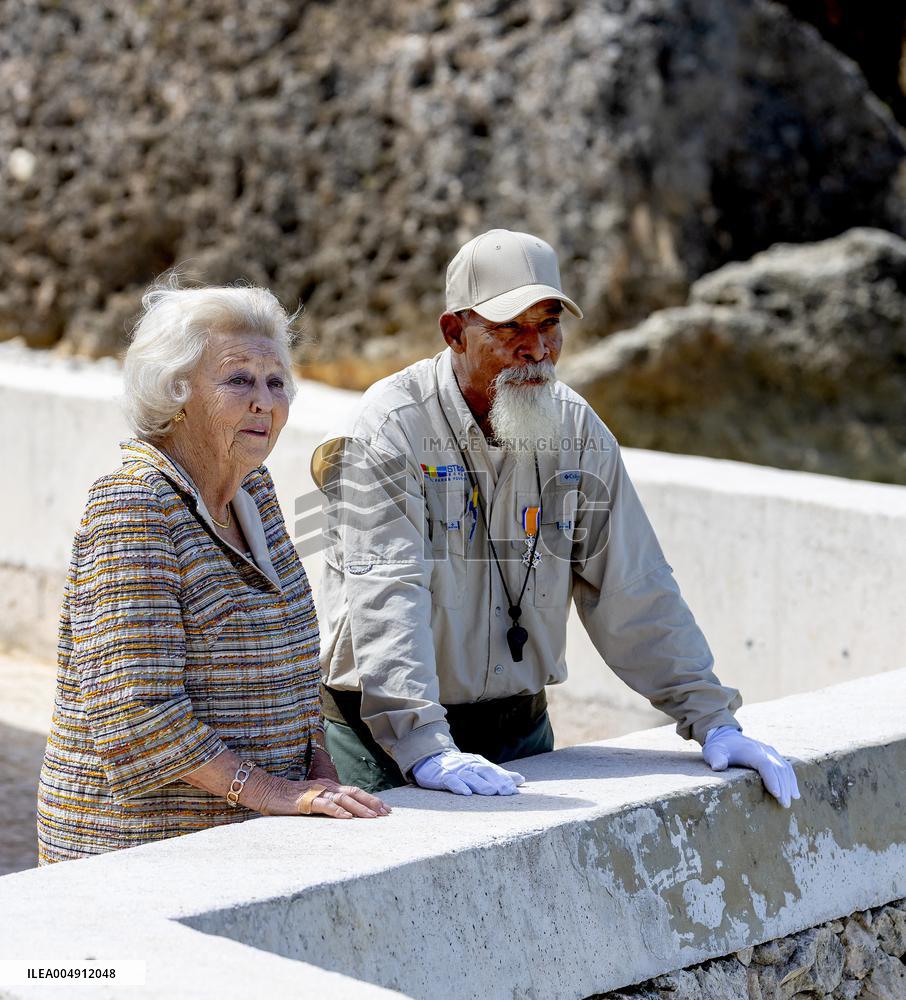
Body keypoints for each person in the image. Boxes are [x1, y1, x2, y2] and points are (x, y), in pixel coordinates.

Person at [313, 229, 800, 807]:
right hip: (385, 746)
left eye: (548, 324)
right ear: (454, 333)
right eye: (510, 328)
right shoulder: (390, 427)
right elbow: (387, 597)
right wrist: (424, 746)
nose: (537, 349)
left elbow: (632, 584)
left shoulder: (577, 428)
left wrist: (713, 718)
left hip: (522, 735)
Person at [37, 281, 389, 865]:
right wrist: (274, 792)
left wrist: (319, 772)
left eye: (276, 382)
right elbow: (137, 714)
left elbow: (295, 664)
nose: (265, 401)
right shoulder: (134, 506)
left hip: (248, 842)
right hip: (138, 852)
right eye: (238, 379)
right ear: (175, 393)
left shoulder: (255, 492)